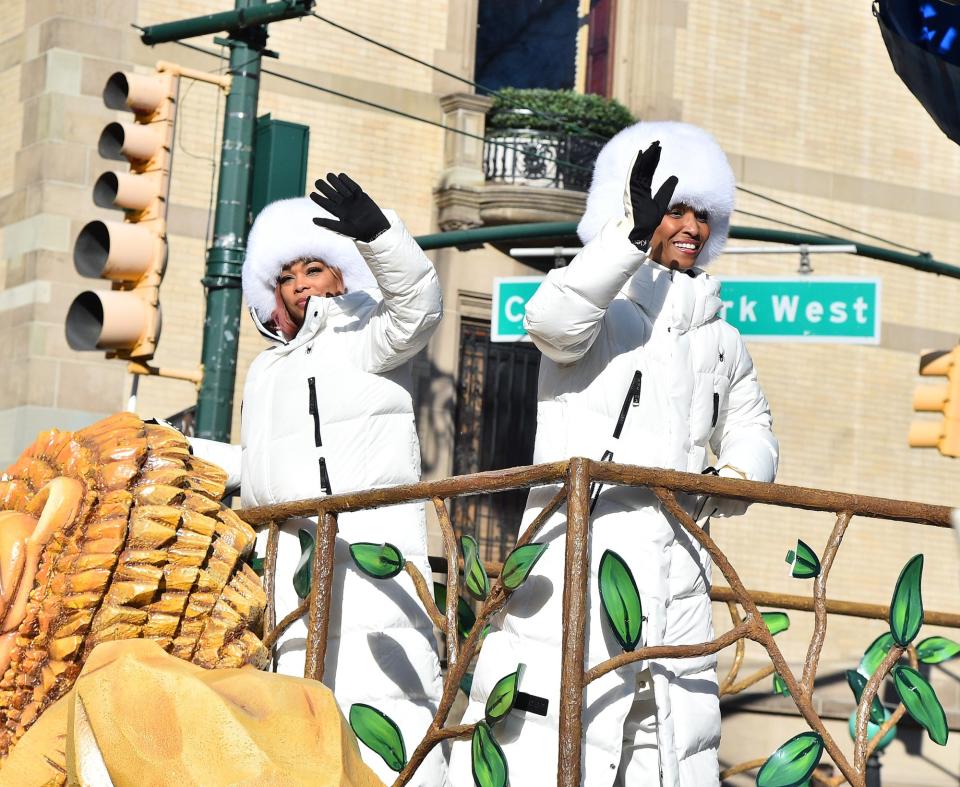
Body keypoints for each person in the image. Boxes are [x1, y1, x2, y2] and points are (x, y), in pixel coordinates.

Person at [449, 122, 779, 786]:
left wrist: (729, 481)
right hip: (584, 552)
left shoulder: (723, 340)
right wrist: (627, 237)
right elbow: (549, 320)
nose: (690, 226)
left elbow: (755, 429)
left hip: (682, 563)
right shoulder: (601, 309)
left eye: (702, 214)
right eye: (674, 210)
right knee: (562, 725)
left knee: (669, 735)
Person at [191, 174, 448, 786]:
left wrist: (378, 236)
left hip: (368, 556)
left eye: (314, 268)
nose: (302, 284)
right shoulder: (266, 368)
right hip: (286, 566)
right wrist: (179, 447)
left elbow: (420, 307)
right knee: (293, 717)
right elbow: (260, 465)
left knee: (385, 705)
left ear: (339, 273)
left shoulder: (370, 333)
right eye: (287, 275)